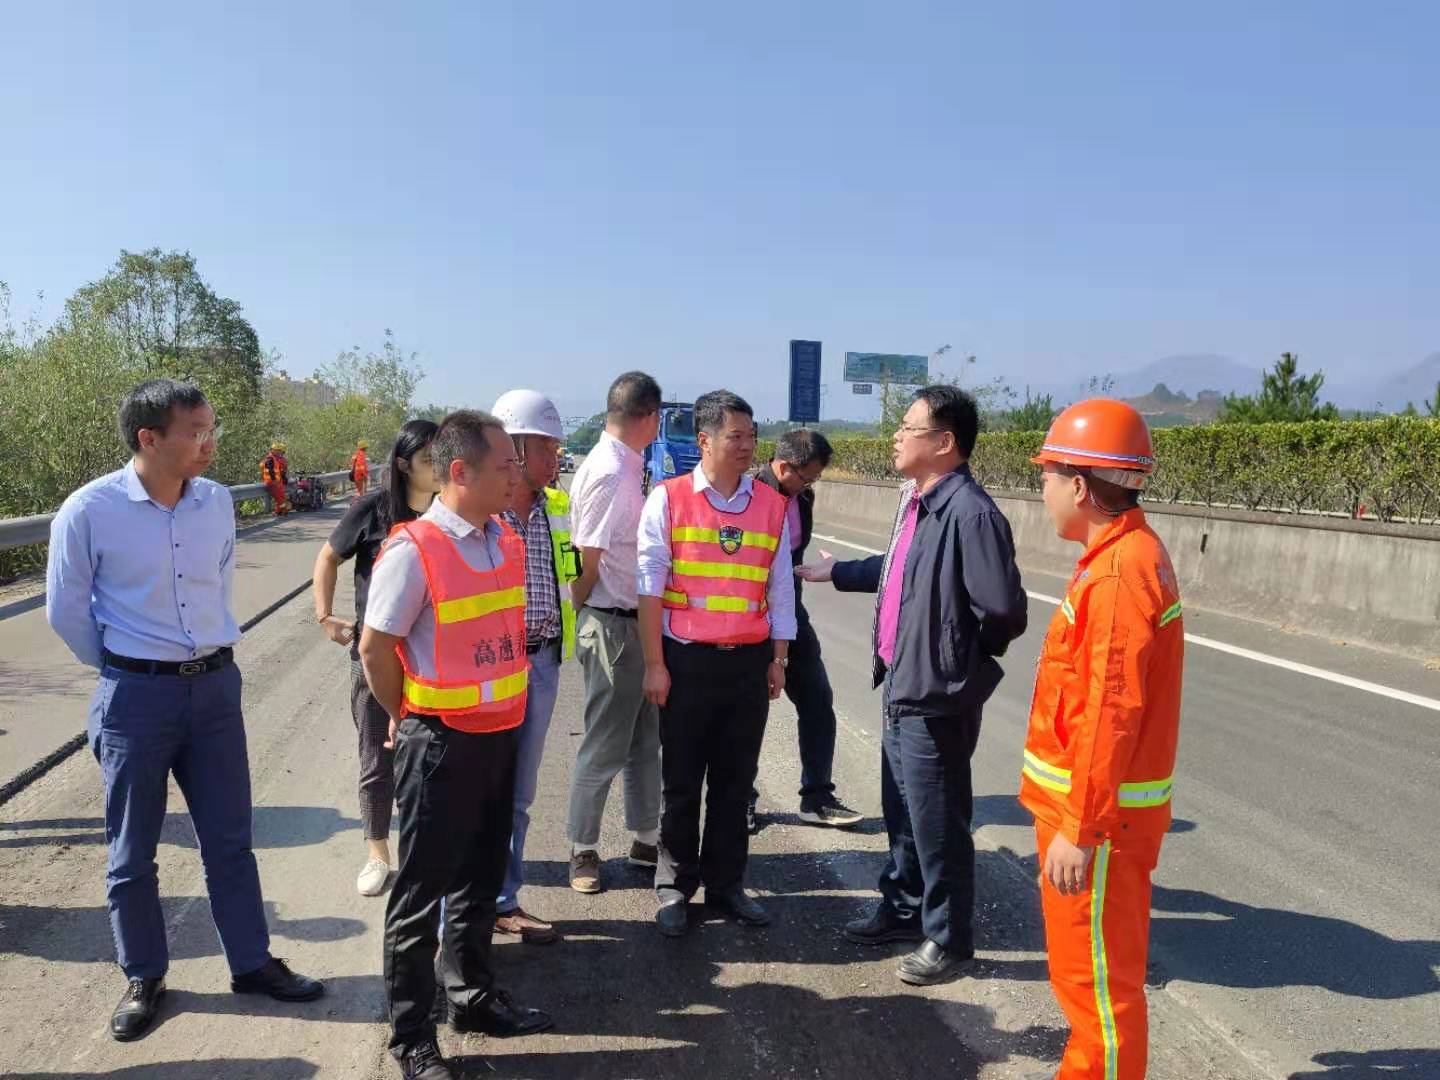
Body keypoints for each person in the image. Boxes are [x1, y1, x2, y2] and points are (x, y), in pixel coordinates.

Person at [45, 379, 324, 1043]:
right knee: (132, 851)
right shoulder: (89, 511)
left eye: (212, 427)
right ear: (149, 438)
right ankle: (144, 975)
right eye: (196, 430)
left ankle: (252, 962)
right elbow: (65, 611)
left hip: (215, 692)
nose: (210, 442)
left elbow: (216, 584)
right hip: (135, 697)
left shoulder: (216, 503)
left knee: (230, 840)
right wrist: (127, 668)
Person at [797, 385, 1027, 985]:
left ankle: (949, 940)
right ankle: (903, 908)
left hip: (935, 693)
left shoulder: (970, 513)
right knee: (904, 811)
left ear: (944, 442)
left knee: (940, 817)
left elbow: (1003, 608)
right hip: (903, 683)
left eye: (908, 427)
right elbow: (900, 572)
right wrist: (838, 572)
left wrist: (959, 664)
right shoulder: (923, 505)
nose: (896, 437)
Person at [359, 409, 552, 1080]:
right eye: (505, 466)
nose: (516, 476)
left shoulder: (504, 537)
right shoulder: (414, 549)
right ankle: (412, 1035)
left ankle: (470, 995)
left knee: (479, 880)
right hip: (439, 743)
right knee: (420, 893)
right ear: (460, 472)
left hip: (500, 736)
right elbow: (375, 647)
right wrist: (405, 714)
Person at [1021, 400, 1184, 1080]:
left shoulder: (1119, 573)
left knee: (1098, 996)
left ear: (1081, 487)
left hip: (1099, 825)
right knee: (1083, 982)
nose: (1044, 487)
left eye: (1050, 474)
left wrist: (1080, 828)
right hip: (1093, 816)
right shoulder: (1118, 557)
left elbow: (1110, 712)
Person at [638, 389, 795, 937]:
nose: (747, 446)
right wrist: (655, 664)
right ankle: (674, 886)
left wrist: (779, 657)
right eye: (736, 436)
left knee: (735, 782)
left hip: (747, 665)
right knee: (681, 782)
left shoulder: (772, 504)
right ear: (704, 440)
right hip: (685, 663)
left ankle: (727, 884)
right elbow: (649, 589)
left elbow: (780, 590)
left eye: (752, 436)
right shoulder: (669, 498)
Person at [311, 420, 441, 897]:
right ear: (405, 464)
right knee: (376, 756)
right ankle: (376, 851)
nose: (440, 469)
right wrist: (325, 617)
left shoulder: (447, 514)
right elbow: (328, 557)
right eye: (430, 460)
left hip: (431, 657)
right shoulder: (375, 510)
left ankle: (420, 847)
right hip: (376, 653)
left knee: (427, 755)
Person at [564, 372, 664, 894]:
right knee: (605, 744)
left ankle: (647, 837)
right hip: (611, 622)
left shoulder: (626, 464)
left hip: (635, 622)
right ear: (649, 418)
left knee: (645, 739)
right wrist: (574, 623)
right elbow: (589, 561)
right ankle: (583, 848)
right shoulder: (608, 471)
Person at [490, 389, 580, 945]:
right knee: (480, 793)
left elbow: (572, 578)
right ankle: (465, 905)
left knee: (520, 795)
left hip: (541, 664)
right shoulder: (480, 513)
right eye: (547, 447)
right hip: (488, 672)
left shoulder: (556, 507)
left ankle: (504, 899)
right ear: (517, 449)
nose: (556, 458)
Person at [749, 429, 863, 832]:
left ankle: (817, 797)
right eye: (806, 477)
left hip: (790, 613)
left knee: (817, 699)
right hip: (748, 617)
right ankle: (742, 798)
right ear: (783, 466)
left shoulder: (803, 499)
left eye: (814, 480)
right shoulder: (749, 496)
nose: (808, 486)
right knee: (750, 710)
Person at [260, 440, 290, 515]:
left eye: (280, 451)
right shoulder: (270, 458)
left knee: (281, 496)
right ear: (274, 450)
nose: (279, 452)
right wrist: (274, 479)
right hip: (271, 482)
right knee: (279, 498)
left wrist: (282, 479)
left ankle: (280, 511)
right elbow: (270, 470)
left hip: (276, 482)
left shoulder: (275, 458)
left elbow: (279, 471)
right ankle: (283, 510)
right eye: (278, 451)